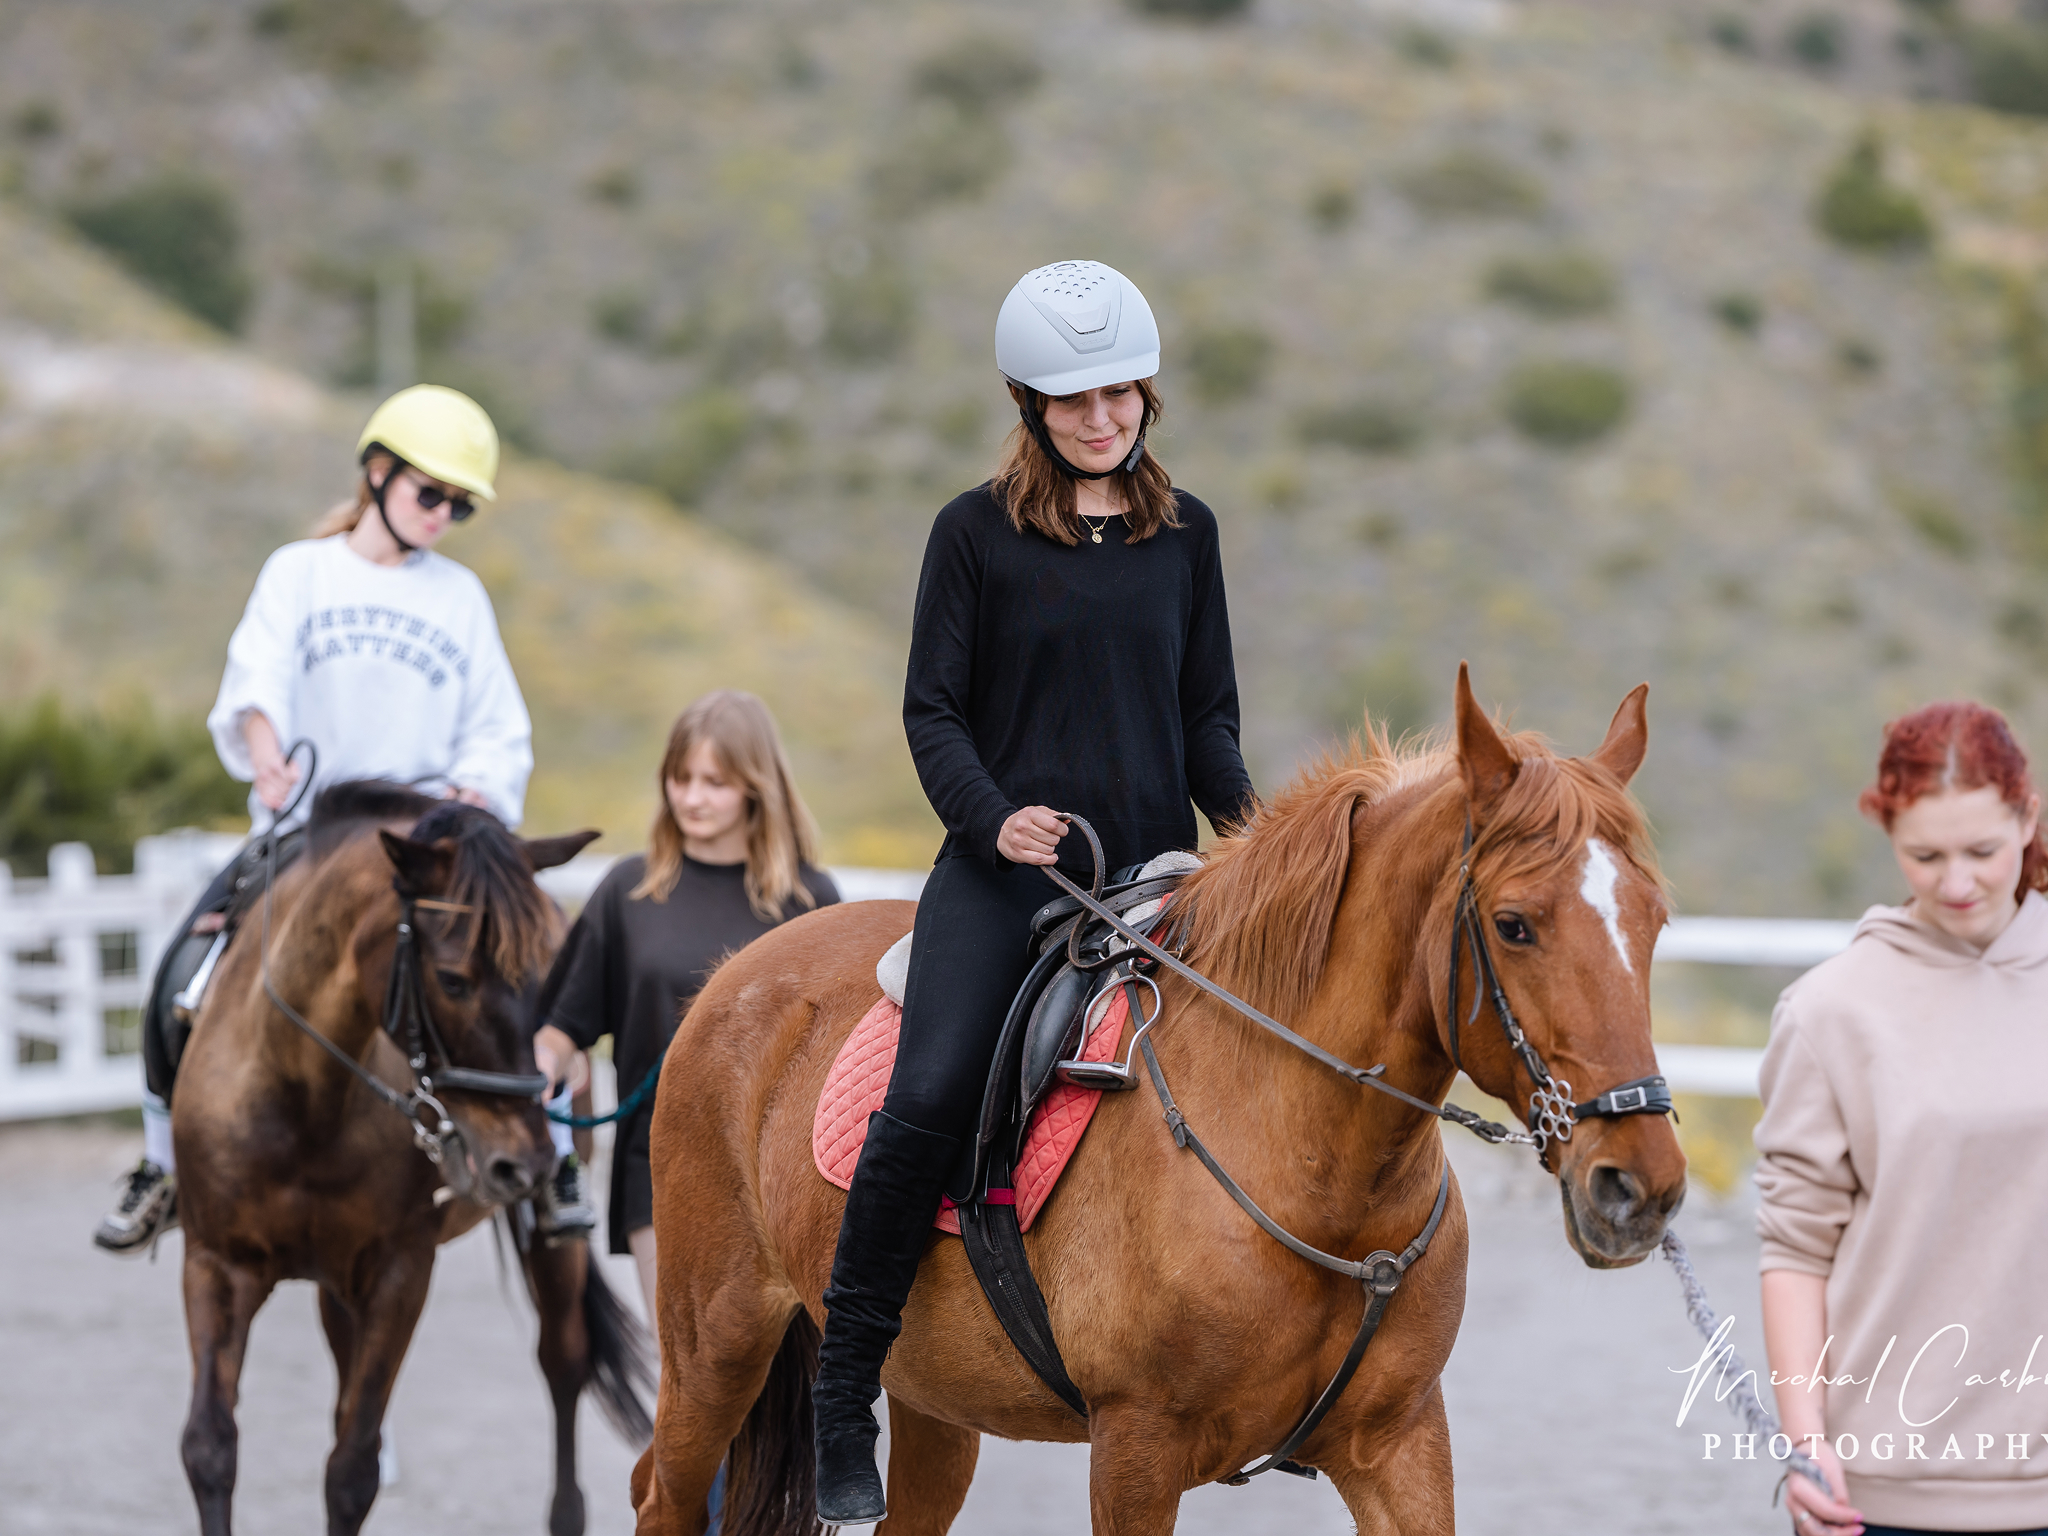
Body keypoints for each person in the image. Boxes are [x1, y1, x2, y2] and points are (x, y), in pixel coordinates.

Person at [810, 260, 1258, 1524]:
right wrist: (993, 817)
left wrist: (1262, 841)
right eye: (1073, 398)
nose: (1100, 417)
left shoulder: (1187, 536)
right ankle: (844, 1381)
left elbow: (1207, 723)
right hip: (1006, 877)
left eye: (1118, 393)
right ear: (1028, 403)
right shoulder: (970, 535)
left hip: (1151, 881)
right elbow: (932, 712)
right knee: (930, 1088)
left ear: (1145, 394)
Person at [94, 384, 537, 1254]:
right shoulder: (298, 572)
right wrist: (264, 749)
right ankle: (162, 1164)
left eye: (460, 505)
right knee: (180, 976)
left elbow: (499, 727)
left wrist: (477, 794)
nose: (442, 515)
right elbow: (255, 678)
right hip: (309, 833)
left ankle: (549, 1157)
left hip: (422, 847)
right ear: (377, 473)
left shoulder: (461, 598)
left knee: (521, 971)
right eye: (430, 493)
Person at [1756, 701, 2048, 1536]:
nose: (1957, 883)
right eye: (1926, 856)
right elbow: (1795, 1249)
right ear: (1889, 838)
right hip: (1882, 1493)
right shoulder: (1831, 1011)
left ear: (2027, 820)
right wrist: (1806, 1443)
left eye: (1982, 852)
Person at [531, 690, 840, 1302]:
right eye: (681, 778)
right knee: (682, 1363)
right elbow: (563, 1025)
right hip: (659, 1166)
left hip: (782, 1179)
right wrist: (544, 1062)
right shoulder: (629, 891)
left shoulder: (810, 900)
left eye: (714, 782)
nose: (692, 798)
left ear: (755, 785)